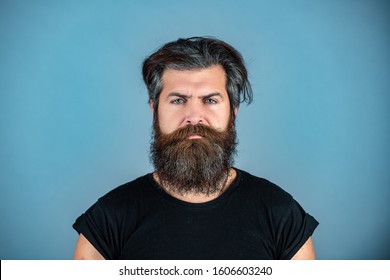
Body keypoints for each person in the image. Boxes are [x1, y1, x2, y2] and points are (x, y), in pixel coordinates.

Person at [73, 37, 319, 260]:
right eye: (178, 100)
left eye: (210, 100)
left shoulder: (280, 214)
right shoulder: (108, 220)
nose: (194, 117)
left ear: (232, 113)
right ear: (154, 110)